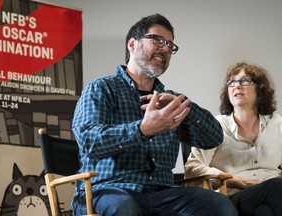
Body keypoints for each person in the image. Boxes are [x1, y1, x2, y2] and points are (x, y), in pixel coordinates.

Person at [71, 13, 238, 216]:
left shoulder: (171, 101)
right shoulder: (101, 89)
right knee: (125, 208)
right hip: (108, 189)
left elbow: (214, 138)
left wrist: (187, 108)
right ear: (132, 45)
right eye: (158, 40)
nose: (166, 48)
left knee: (220, 206)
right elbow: (89, 141)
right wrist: (142, 130)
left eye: (170, 45)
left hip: (162, 193)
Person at [185, 62, 282, 216]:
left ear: (260, 89)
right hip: (233, 198)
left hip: (273, 197)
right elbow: (192, 168)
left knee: (265, 211)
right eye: (231, 82)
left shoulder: (277, 124)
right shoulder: (215, 126)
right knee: (276, 187)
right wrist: (236, 180)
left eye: (244, 81)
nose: (237, 86)